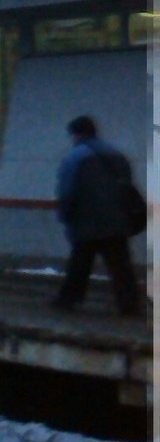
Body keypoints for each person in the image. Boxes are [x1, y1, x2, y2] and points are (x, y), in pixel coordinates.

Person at [54, 113, 143, 315]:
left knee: (80, 262)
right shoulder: (117, 155)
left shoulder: (74, 157)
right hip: (117, 221)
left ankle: (69, 299)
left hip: (87, 222)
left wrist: (65, 215)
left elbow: (67, 191)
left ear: (77, 134)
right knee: (121, 265)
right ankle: (129, 305)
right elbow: (127, 187)